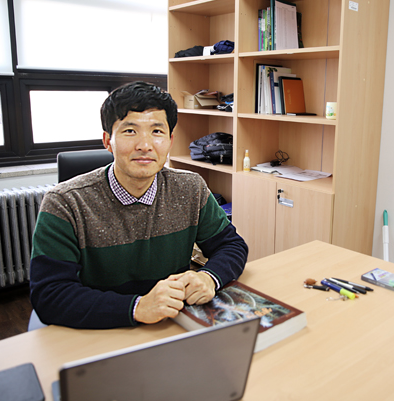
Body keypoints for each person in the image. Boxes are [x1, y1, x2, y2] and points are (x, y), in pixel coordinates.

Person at [29, 81, 248, 329]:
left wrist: (209, 277)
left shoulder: (190, 188)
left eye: (157, 131)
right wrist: (138, 307)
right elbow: (50, 295)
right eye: (130, 131)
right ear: (108, 141)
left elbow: (232, 245)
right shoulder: (65, 203)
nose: (145, 145)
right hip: (100, 329)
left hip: (169, 325)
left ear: (170, 140)